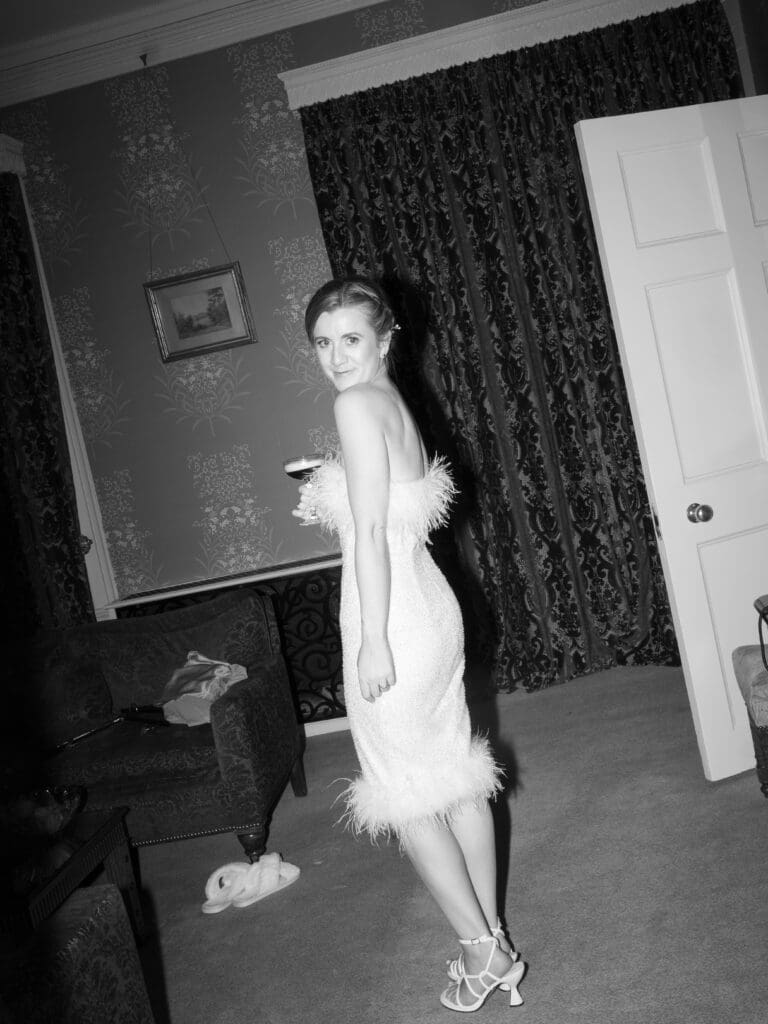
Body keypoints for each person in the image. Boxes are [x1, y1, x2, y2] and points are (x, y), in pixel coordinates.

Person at [292, 277, 526, 1012]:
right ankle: (491, 937)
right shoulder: (393, 401)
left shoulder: (353, 405)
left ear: (385, 338)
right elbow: (391, 509)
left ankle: (481, 951)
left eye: (350, 339)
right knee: (453, 777)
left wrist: (372, 642)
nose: (335, 356)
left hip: (390, 619)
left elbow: (369, 533)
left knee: (406, 794)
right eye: (322, 343)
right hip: (431, 608)